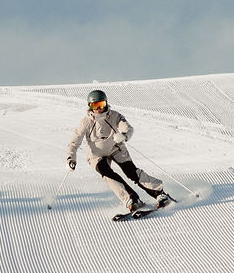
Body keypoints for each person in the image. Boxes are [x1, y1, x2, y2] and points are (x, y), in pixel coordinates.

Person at [67, 88, 173, 219]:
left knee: (131, 172)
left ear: (106, 103)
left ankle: (159, 193)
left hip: (116, 148)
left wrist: (124, 136)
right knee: (108, 174)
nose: (99, 108)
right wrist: (71, 158)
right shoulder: (86, 122)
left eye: (102, 104)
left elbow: (127, 128)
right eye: (96, 105)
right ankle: (131, 200)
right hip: (96, 155)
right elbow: (74, 141)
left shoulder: (114, 116)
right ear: (90, 106)